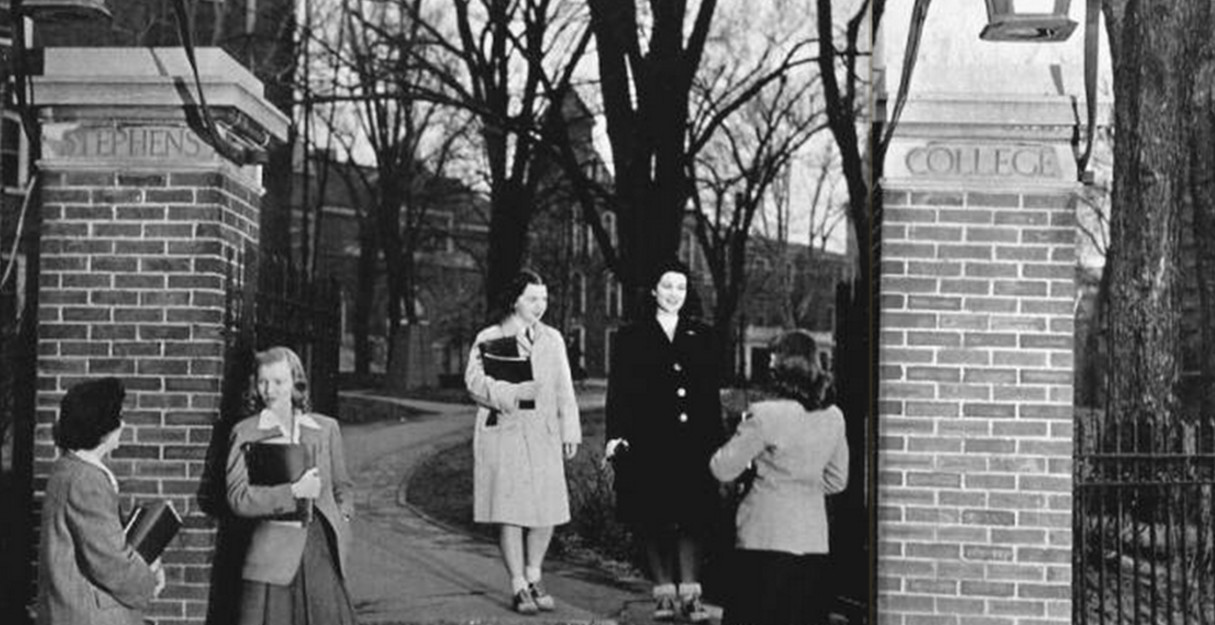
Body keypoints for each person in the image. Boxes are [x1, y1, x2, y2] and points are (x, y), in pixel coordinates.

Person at [604, 260, 725, 622]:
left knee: (693, 516)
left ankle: (690, 592)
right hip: (648, 443)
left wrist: (717, 442)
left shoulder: (702, 336)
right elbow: (619, 393)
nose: (674, 294)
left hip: (693, 443)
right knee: (651, 516)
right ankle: (663, 594)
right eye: (667, 286)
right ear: (654, 290)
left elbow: (709, 395)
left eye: (681, 287)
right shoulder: (631, 336)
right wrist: (615, 437)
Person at [709, 330, 849, 625]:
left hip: (764, 534)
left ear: (781, 366)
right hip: (812, 538)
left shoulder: (764, 415)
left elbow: (722, 468)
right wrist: (803, 482)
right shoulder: (834, 416)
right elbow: (838, 480)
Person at [465, 269, 582, 614]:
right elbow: (474, 382)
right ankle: (518, 584)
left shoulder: (553, 339)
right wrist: (513, 393)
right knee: (511, 510)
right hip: (506, 431)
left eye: (544, 299)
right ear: (515, 299)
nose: (539, 306)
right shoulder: (493, 335)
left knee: (547, 509)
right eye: (532, 298)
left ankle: (535, 574)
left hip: (543, 432)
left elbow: (565, 388)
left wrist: (570, 431)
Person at [226, 346, 357, 625]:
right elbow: (238, 497)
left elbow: (343, 485)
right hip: (271, 558)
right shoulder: (246, 432)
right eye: (262, 381)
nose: (269, 390)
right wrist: (293, 492)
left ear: (296, 383)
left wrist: (343, 516)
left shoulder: (325, 428)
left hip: (321, 554)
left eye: (278, 382)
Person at [37, 377, 166, 625]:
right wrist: (148, 581)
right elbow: (109, 562)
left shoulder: (69, 469)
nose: (124, 423)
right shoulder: (87, 481)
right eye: (118, 417)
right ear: (102, 428)